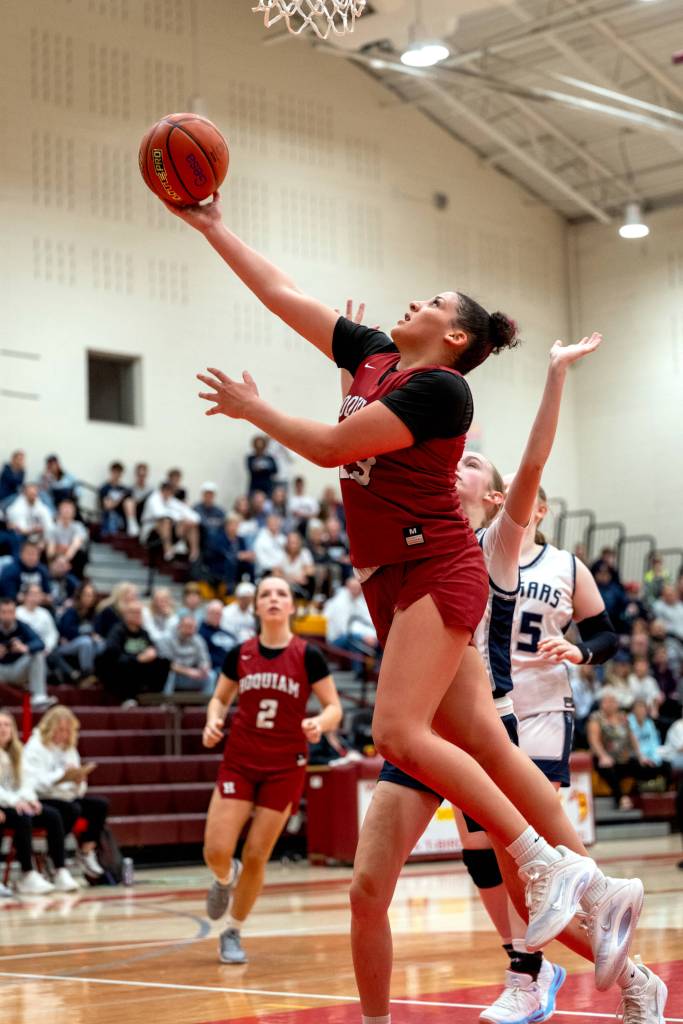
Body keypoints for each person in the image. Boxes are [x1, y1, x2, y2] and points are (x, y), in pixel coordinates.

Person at [172, 193, 622, 962]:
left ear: (452, 335)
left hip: (434, 563)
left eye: (434, 301)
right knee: (480, 734)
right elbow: (283, 295)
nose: (413, 300)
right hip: (390, 572)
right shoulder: (373, 354)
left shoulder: (441, 390)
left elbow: (329, 447)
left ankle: (545, 863)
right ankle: (603, 900)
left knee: (397, 734)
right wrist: (211, 224)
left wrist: (255, 408)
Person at [347, 335, 657, 1021]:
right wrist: (351, 372)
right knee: (367, 888)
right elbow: (357, 456)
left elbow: (534, 462)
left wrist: (552, 374)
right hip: (418, 736)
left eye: (476, 465)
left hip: (483, 727)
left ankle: (630, 978)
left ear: (489, 494)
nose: (462, 469)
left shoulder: (489, 544)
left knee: (529, 896)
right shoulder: (405, 521)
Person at [201, 575, 342, 963]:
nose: (274, 599)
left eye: (282, 593)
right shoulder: (240, 653)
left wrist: (320, 723)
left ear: (292, 606)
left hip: (285, 766)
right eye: (266, 594)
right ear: (257, 606)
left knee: (258, 854)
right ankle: (223, 877)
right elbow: (219, 699)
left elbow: (334, 707)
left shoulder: (308, 655)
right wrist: (213, 720)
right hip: (240, 761)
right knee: (216, 850)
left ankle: (233, 930)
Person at [23, 705, 108, 880]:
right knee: (71, 809)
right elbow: (33, 783)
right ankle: (54, 857)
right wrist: (61, 776)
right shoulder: (35, 746)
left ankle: (86, 852)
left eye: (68, 730)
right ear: (50, 727)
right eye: (60, 729)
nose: (64, 734)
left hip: (66, 797)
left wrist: (78, 781)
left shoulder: (69, 748)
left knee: (99, 805)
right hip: (43, 798)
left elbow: (79, 791)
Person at [0, 708, 79, 894]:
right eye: (0, 725)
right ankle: (27, 873)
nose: (3, 728)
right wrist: (15, 801)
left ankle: (59, 869)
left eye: (7, 725)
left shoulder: (16, 752)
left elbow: (26, 782)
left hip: (16, 802)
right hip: (6, 804)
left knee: (52, 815)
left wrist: (30, 799)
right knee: (22, 817)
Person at [587, 689, 662, 811]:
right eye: (606, 701)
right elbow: (594, 741)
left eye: (613, 701)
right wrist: (603, 756)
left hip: (622, 758)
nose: (610, 704)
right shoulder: (596, 718)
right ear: (601, 703)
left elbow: (632, 738)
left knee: (647, 767)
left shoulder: (622, 717)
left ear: (617, 704)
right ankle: (620, 798)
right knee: (608, 768)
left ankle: (646, 794)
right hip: (603, 758)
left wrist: (641, 756)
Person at [94, 600, 169, 705]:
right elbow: (112, 655)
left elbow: (152, 649)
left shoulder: (143, 633)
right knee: (126, 665)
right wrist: (137, 659)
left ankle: (153, 697)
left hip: (139, 669)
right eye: (135, 612)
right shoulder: (117, 631)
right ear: (126, 615)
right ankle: (127, 699)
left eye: (140, 612)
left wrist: (152, 652)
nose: (139, 615)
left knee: (164, 662)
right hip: (119, 673)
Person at [0, 597, 52, 710]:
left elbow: (40, 643)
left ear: (15, 613)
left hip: (18, 669)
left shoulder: (22, 626)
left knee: (38, 654)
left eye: (11, 612)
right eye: (4, 612)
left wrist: (25, 647)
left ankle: (39, 697)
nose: (7, 616)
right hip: (1, 671)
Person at [140, 480, 200, 563]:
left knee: (192, 525)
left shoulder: (172, 500)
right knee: (166, 521)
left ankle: (194, 553)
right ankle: (168, 550)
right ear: (162, 490)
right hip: (150, 530)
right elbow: (160, 514)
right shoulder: (153, 499)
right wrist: (179, 518)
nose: (168, 492)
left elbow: (195, 517)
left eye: (170, 490)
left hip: (171, 530)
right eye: (166, 490)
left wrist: (186, 520)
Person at [55, 581, 104, 683]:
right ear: (80, 595)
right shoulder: (71, 611)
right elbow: (67, 632)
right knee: (86, 642)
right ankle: (86, 674)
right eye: (86, 595)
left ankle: (102, 675)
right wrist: (89, 634)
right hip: (66, 645)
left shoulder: (94, 612)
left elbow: (98, 631)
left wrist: (94, 636)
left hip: (86, 643)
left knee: (102, 644)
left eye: (91, 595)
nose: (89, 598)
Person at [202, 513, 254, 592]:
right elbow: (223, 554)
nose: (234, 527)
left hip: (237, 566)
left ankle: (252, 587)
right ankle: (230, 590)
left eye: (236, 525)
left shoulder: (240, 540)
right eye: (232, 525)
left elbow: (243, 553)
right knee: (230, 562)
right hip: (220, 566)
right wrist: (238, 555)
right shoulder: (218, 538)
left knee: (249, 564)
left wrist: (247, 555)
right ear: (226, 525)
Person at [163, 614, 212, 696]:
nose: (190, 629)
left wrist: (204, 668)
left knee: (211, 675)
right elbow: (167, 664)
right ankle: (166, 703)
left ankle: (206, 705)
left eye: (193, 627)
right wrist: (188, 671)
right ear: (179, 626)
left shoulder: (199, 640)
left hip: (193, 674)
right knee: (169, 673)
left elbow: (205, 660)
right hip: (176, 674)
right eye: (187, 626)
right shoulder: (168, 639)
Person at [46, 499, 89, 578]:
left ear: (74, 512)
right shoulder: (52, 527)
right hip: (56, 557)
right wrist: (58, 558)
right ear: (59, 511)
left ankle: (76, 581)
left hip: (72, 559)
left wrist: (64, 559)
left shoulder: (78, 526)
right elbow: (50, 550)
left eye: (69, 508)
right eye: (64, 508)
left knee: (81, 554)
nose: (66, 510)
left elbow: (75, 545)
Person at [199, 601, 238, 685]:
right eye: (213, 613)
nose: (216, 616)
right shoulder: (201, 632)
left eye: (219, 614)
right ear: (207, 613)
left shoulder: (228, 633)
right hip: (215, 669)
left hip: (232, 668)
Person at [5, 483, 54, 548]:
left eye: (34, 494)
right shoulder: (17, 507)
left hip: (37, 536)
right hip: (21, 536)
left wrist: (43, 541)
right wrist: (33, 530)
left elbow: (49, 526)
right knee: (17, 537)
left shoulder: (41, 505)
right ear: (25, 493)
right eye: (30, 493)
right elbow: (21, 530)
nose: (33, 496)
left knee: (51, 539)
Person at [99, 461, 139, 538]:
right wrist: (120, 498)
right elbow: (107, 506)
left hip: (123, 514)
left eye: (119, 472)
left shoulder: (124, 489)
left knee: (129, 501)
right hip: (111, 515)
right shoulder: (105, 488)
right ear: (111, 472)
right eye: (115, 472)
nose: (117, 474)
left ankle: (132, 524)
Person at [276, 531, 315, 600]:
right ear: (287, 543)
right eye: (291, 543)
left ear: (299, 543)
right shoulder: (281, 554)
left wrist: (303, 575)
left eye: (295, 543)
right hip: (285, 585)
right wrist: (293, 579)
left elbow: (310, 571)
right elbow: (276, 573)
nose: (293, 545)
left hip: (301, 586)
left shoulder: (305, 553)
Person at [141, 587, 179, 651]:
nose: (163, 603)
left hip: (167, 649)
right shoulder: (146, 613)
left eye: (166, 600)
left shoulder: (173, 616)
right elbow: (153, 636)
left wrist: (169, 617)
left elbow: (174, 637)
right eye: (160, 600)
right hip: (149, 646)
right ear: (154, 601)